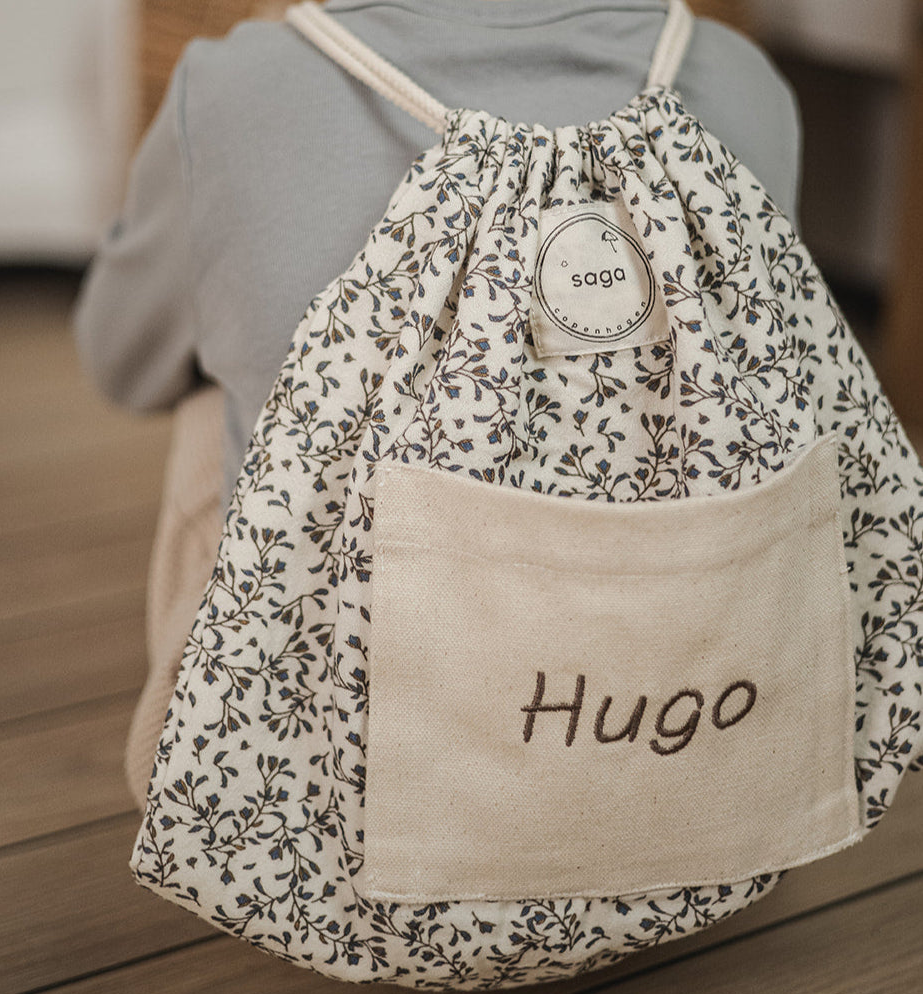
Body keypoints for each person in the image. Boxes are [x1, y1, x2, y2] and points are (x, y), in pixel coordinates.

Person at [73, 0, 803, 805]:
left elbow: (122, 362)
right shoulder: (743, 81)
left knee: (213, 394)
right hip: (710, 767)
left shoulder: (231, 92)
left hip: (336, 821)